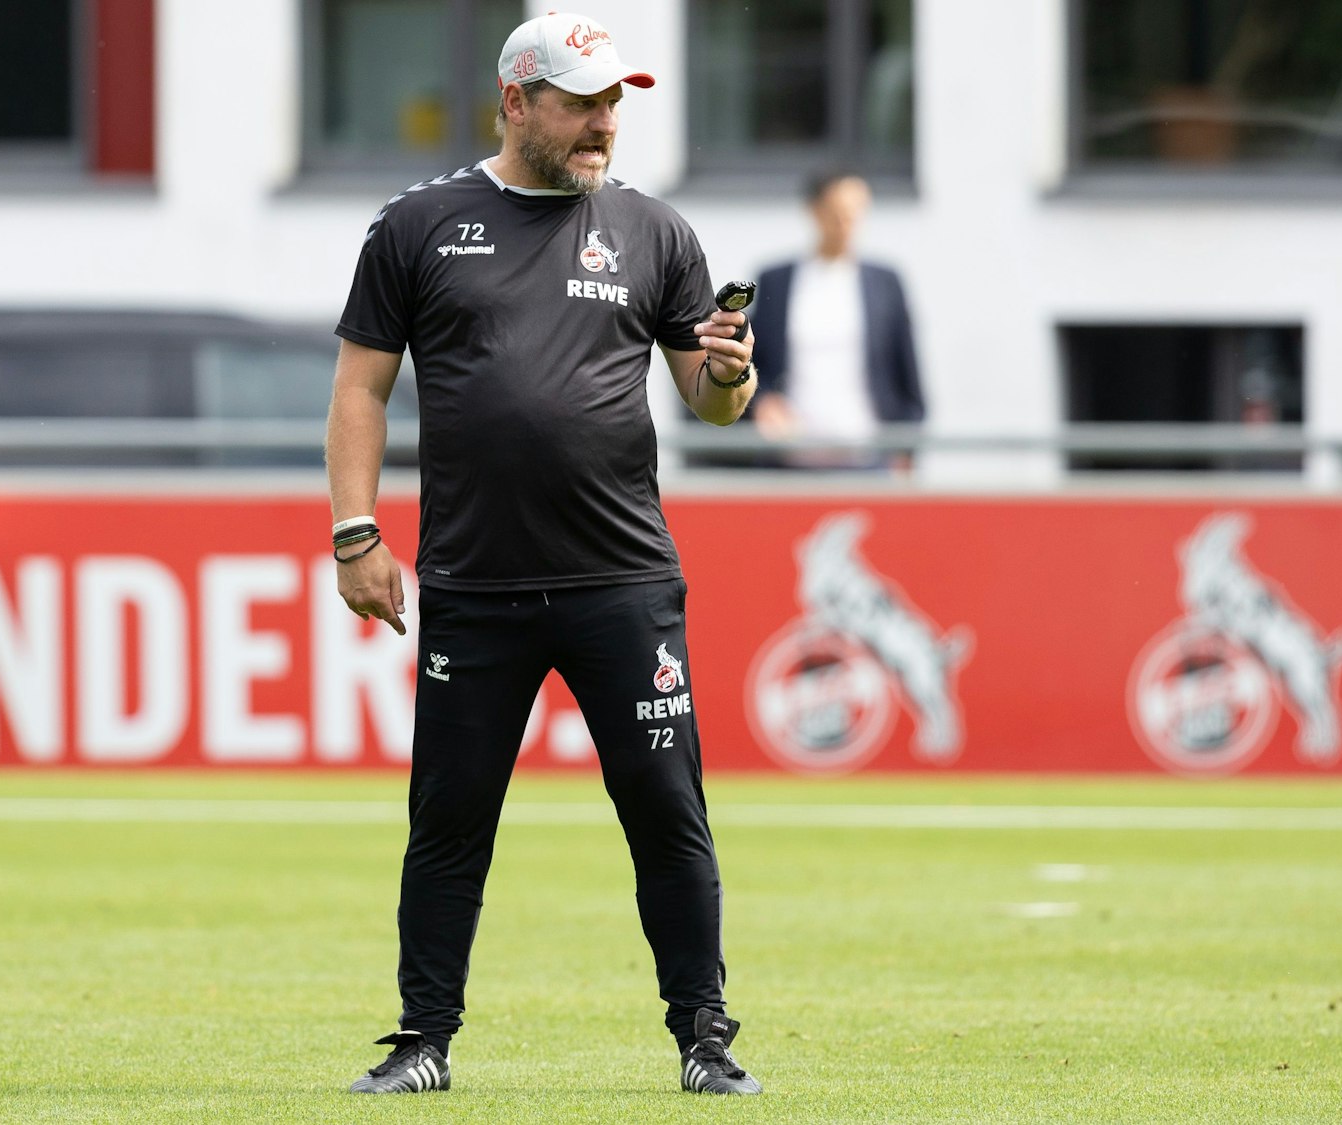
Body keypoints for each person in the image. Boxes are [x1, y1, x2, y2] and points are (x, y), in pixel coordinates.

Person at [322, 11, 762, 1097]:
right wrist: (355, 533)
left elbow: (712, 408)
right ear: (515, 102)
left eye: (614, 101)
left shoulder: (655, 232)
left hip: (623, 583)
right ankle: (422, 1041)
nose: (602, 123)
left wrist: (726, 370)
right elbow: (358, 390)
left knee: (665, 814)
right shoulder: (417, 225)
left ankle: (705, 1041)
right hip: (475, 586)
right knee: (449, 823)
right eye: (580, 101)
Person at [750, 171, 926, 471]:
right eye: (838, 214)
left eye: (856, 213)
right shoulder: (776, 282)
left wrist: (907, 449)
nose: (847, 224)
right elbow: (754, 363)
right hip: (790, 459)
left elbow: (906, 370)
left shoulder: (885, 283)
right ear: (815, 211)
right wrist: (763, 402)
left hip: (869, 458)